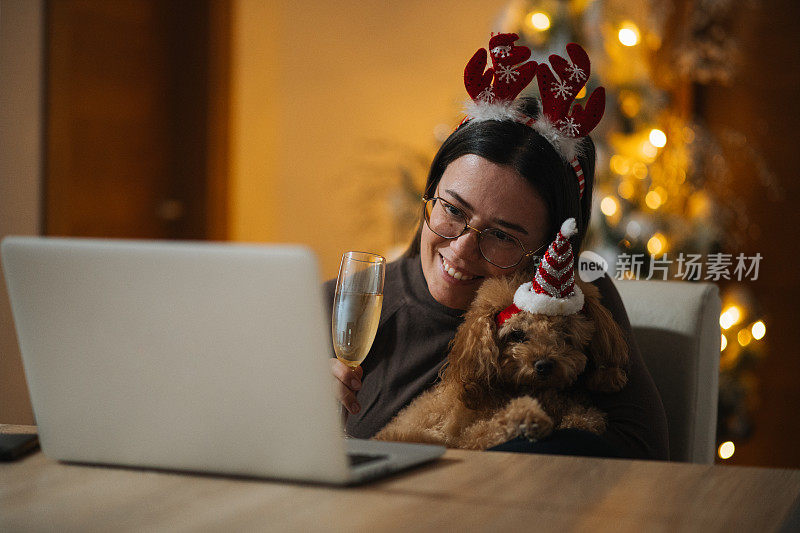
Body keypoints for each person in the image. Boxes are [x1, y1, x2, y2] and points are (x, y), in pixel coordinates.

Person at [326, 36, 669, 459]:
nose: (463, 249)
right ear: (430, 193)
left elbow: (642, 455)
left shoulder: (568, 306)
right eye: (452, 209)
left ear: (547, 247)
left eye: (503, 235)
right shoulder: (341, 306)